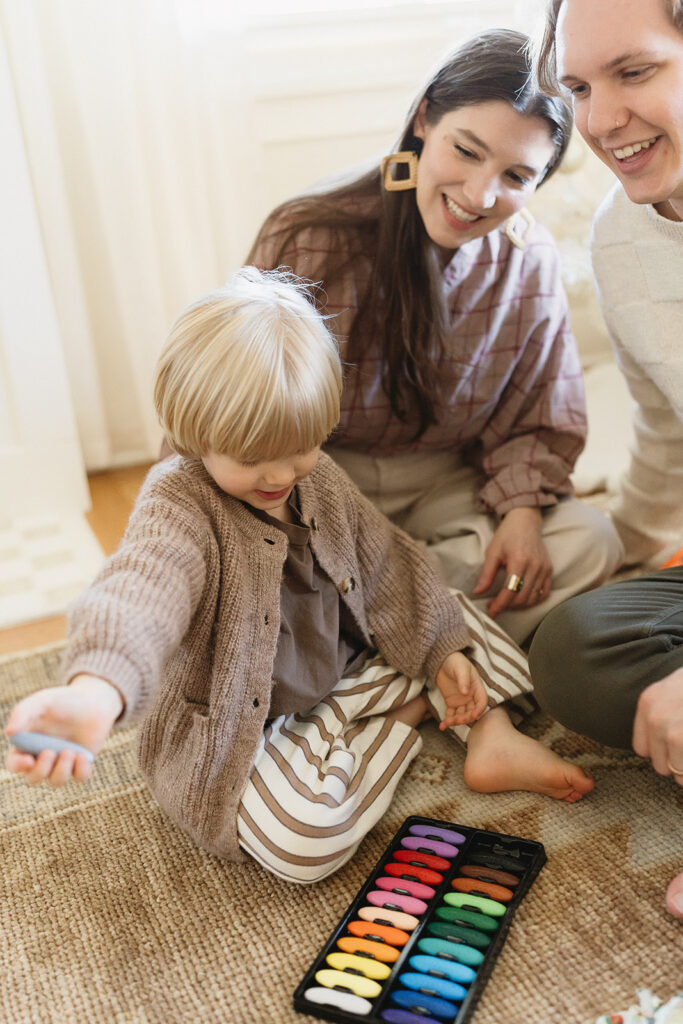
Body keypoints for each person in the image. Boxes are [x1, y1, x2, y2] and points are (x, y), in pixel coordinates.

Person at [3, 268, 594, 885]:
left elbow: (388, 564)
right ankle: (409, 713)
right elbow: (140, 593)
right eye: (252, 458)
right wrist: (97, 692)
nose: (281, 473)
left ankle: (487, 733)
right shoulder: (178, 504)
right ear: (193, 435)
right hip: (245, 723)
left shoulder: (318, 479)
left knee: (453, 616)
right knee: (304, 844)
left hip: (346, 668)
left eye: (302, 445)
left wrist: (440, 649)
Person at [247, 28, 623, 647]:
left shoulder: (530, 263)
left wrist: (522, 513)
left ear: (541, 181)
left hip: (449, 484)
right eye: (467, 151)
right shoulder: (308, 235)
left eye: (517, 175)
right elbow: (235, 400)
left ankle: (358, 635)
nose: (480, 195)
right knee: (249, 578)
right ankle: (428, 637)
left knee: (590, 542)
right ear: (424, 119)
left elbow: (539, 416)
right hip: (317, 482)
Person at [530, 0, 683, 921]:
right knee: (573, 651)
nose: (598, 121)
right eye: (579, 87)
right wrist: (620, 548)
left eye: (634, 73)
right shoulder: (622, 244)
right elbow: (666, 429)